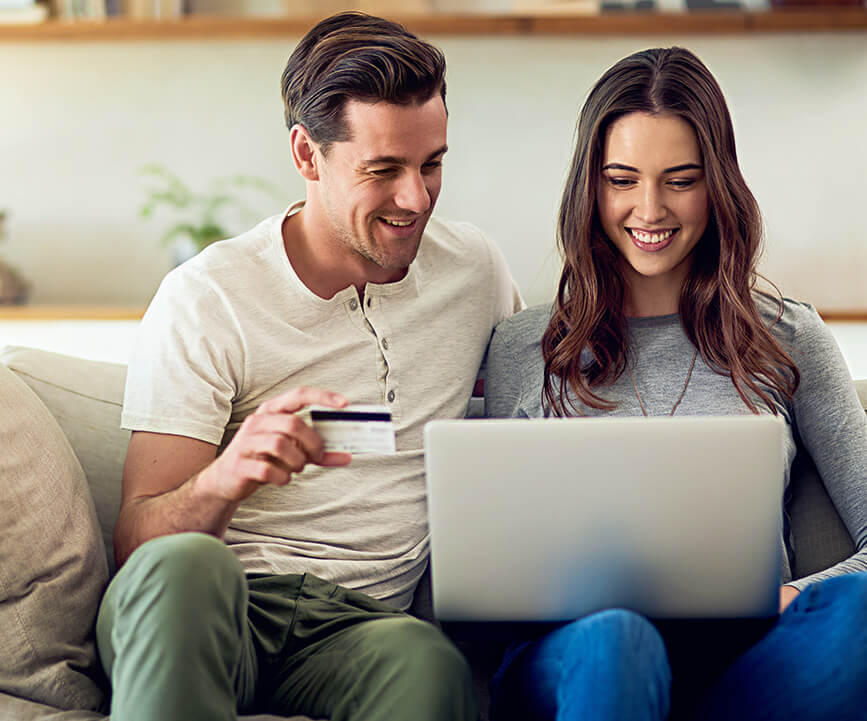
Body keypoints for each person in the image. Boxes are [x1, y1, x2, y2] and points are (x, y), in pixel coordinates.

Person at [96, 12, 522, 721]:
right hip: (212, 603)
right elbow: (137, 543)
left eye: (431, 164)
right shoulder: (208, 296)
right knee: (187, 565)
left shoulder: (472, 271)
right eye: (382, 170)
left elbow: (538, 396)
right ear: (305, 153)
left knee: (426, 659)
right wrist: (226, 477)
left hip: (356, 629)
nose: (414, 198)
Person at [485, 46, 867, 721]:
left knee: (856, 613)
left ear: (716, 183)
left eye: (680, 179)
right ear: (589, 186)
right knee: (618, 638)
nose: (649, 208)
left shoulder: (790, 337)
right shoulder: (525, 344)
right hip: (581, 656)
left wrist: (777, 597)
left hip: (740, 658)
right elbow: (490, 565)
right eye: (621, 179)